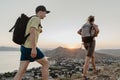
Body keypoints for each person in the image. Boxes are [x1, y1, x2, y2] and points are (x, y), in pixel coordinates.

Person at [14, 5, 50, 80]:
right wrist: (34, 49)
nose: (45, 15)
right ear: (40, 12)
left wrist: (39, 30)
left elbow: (32, 31)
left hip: (24, 47)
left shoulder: (32, 19)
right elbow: (32, 32)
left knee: (21, 71)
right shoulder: (36, 19)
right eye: (45, 13)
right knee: (46, 63)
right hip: (30, 47)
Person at [77, 15, 99, 80]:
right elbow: (97, 31)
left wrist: (84, 35)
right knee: (88, 59)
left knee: (92, 56)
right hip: (91, 42)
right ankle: (84, 76)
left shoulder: (84, 25)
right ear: (93, 20)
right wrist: (94, 35)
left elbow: (78, 32)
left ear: (87, 19)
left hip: (85, 42)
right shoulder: (94, 25)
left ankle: (95, 70)